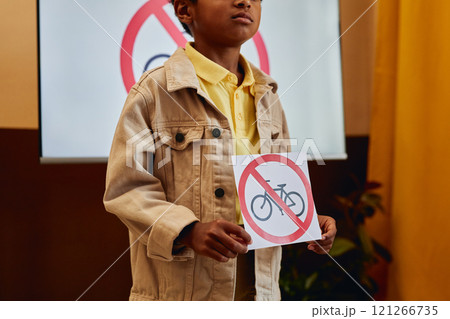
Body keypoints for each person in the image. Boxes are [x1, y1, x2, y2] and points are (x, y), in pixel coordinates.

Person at [104, 0, 336, 301]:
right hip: (183, 291)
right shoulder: (154, 92)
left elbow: (277, 186)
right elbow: (126, 190)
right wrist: (187, 230)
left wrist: (302, 219)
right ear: (186, 10)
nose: (245, 2)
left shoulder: (268, 96)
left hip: (260, 289)